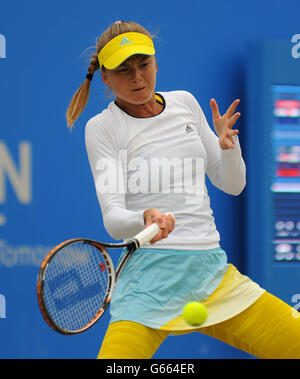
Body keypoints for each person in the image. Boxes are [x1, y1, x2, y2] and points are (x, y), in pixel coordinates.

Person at [66, 21, 300, 359]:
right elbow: (113, 219)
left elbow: (232, 185)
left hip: (213, 275)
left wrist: (229, 148)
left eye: (144, 64)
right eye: (124, 70)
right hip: (148, 283)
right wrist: (144, 217)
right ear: (105, 77)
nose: (137, 77)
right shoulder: (102, 128)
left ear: (156, 63)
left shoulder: (185, 104)